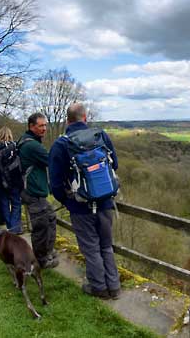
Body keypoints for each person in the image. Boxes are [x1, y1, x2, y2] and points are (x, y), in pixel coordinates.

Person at [49, 103, 120, 299]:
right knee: (106, 245)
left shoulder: (61, 144)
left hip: (80, 207)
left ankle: (99, 288)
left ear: (67, 120)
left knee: (90, 248)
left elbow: (54, 183)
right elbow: (115, 163)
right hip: (105, 203)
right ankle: (114, 287)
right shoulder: (100, 136)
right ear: (85, 118)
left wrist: (68, 201)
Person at [19, 113, 57, 269]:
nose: (44, 129)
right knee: (41, 226)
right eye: (40, 126)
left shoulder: (27, 141)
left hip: (32, 190)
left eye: (45, 125)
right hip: (33, 192)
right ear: (31, 126)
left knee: (50, 217)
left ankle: (47, 250)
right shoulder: (32, 146)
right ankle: (41, 259)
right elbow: (53, 161)